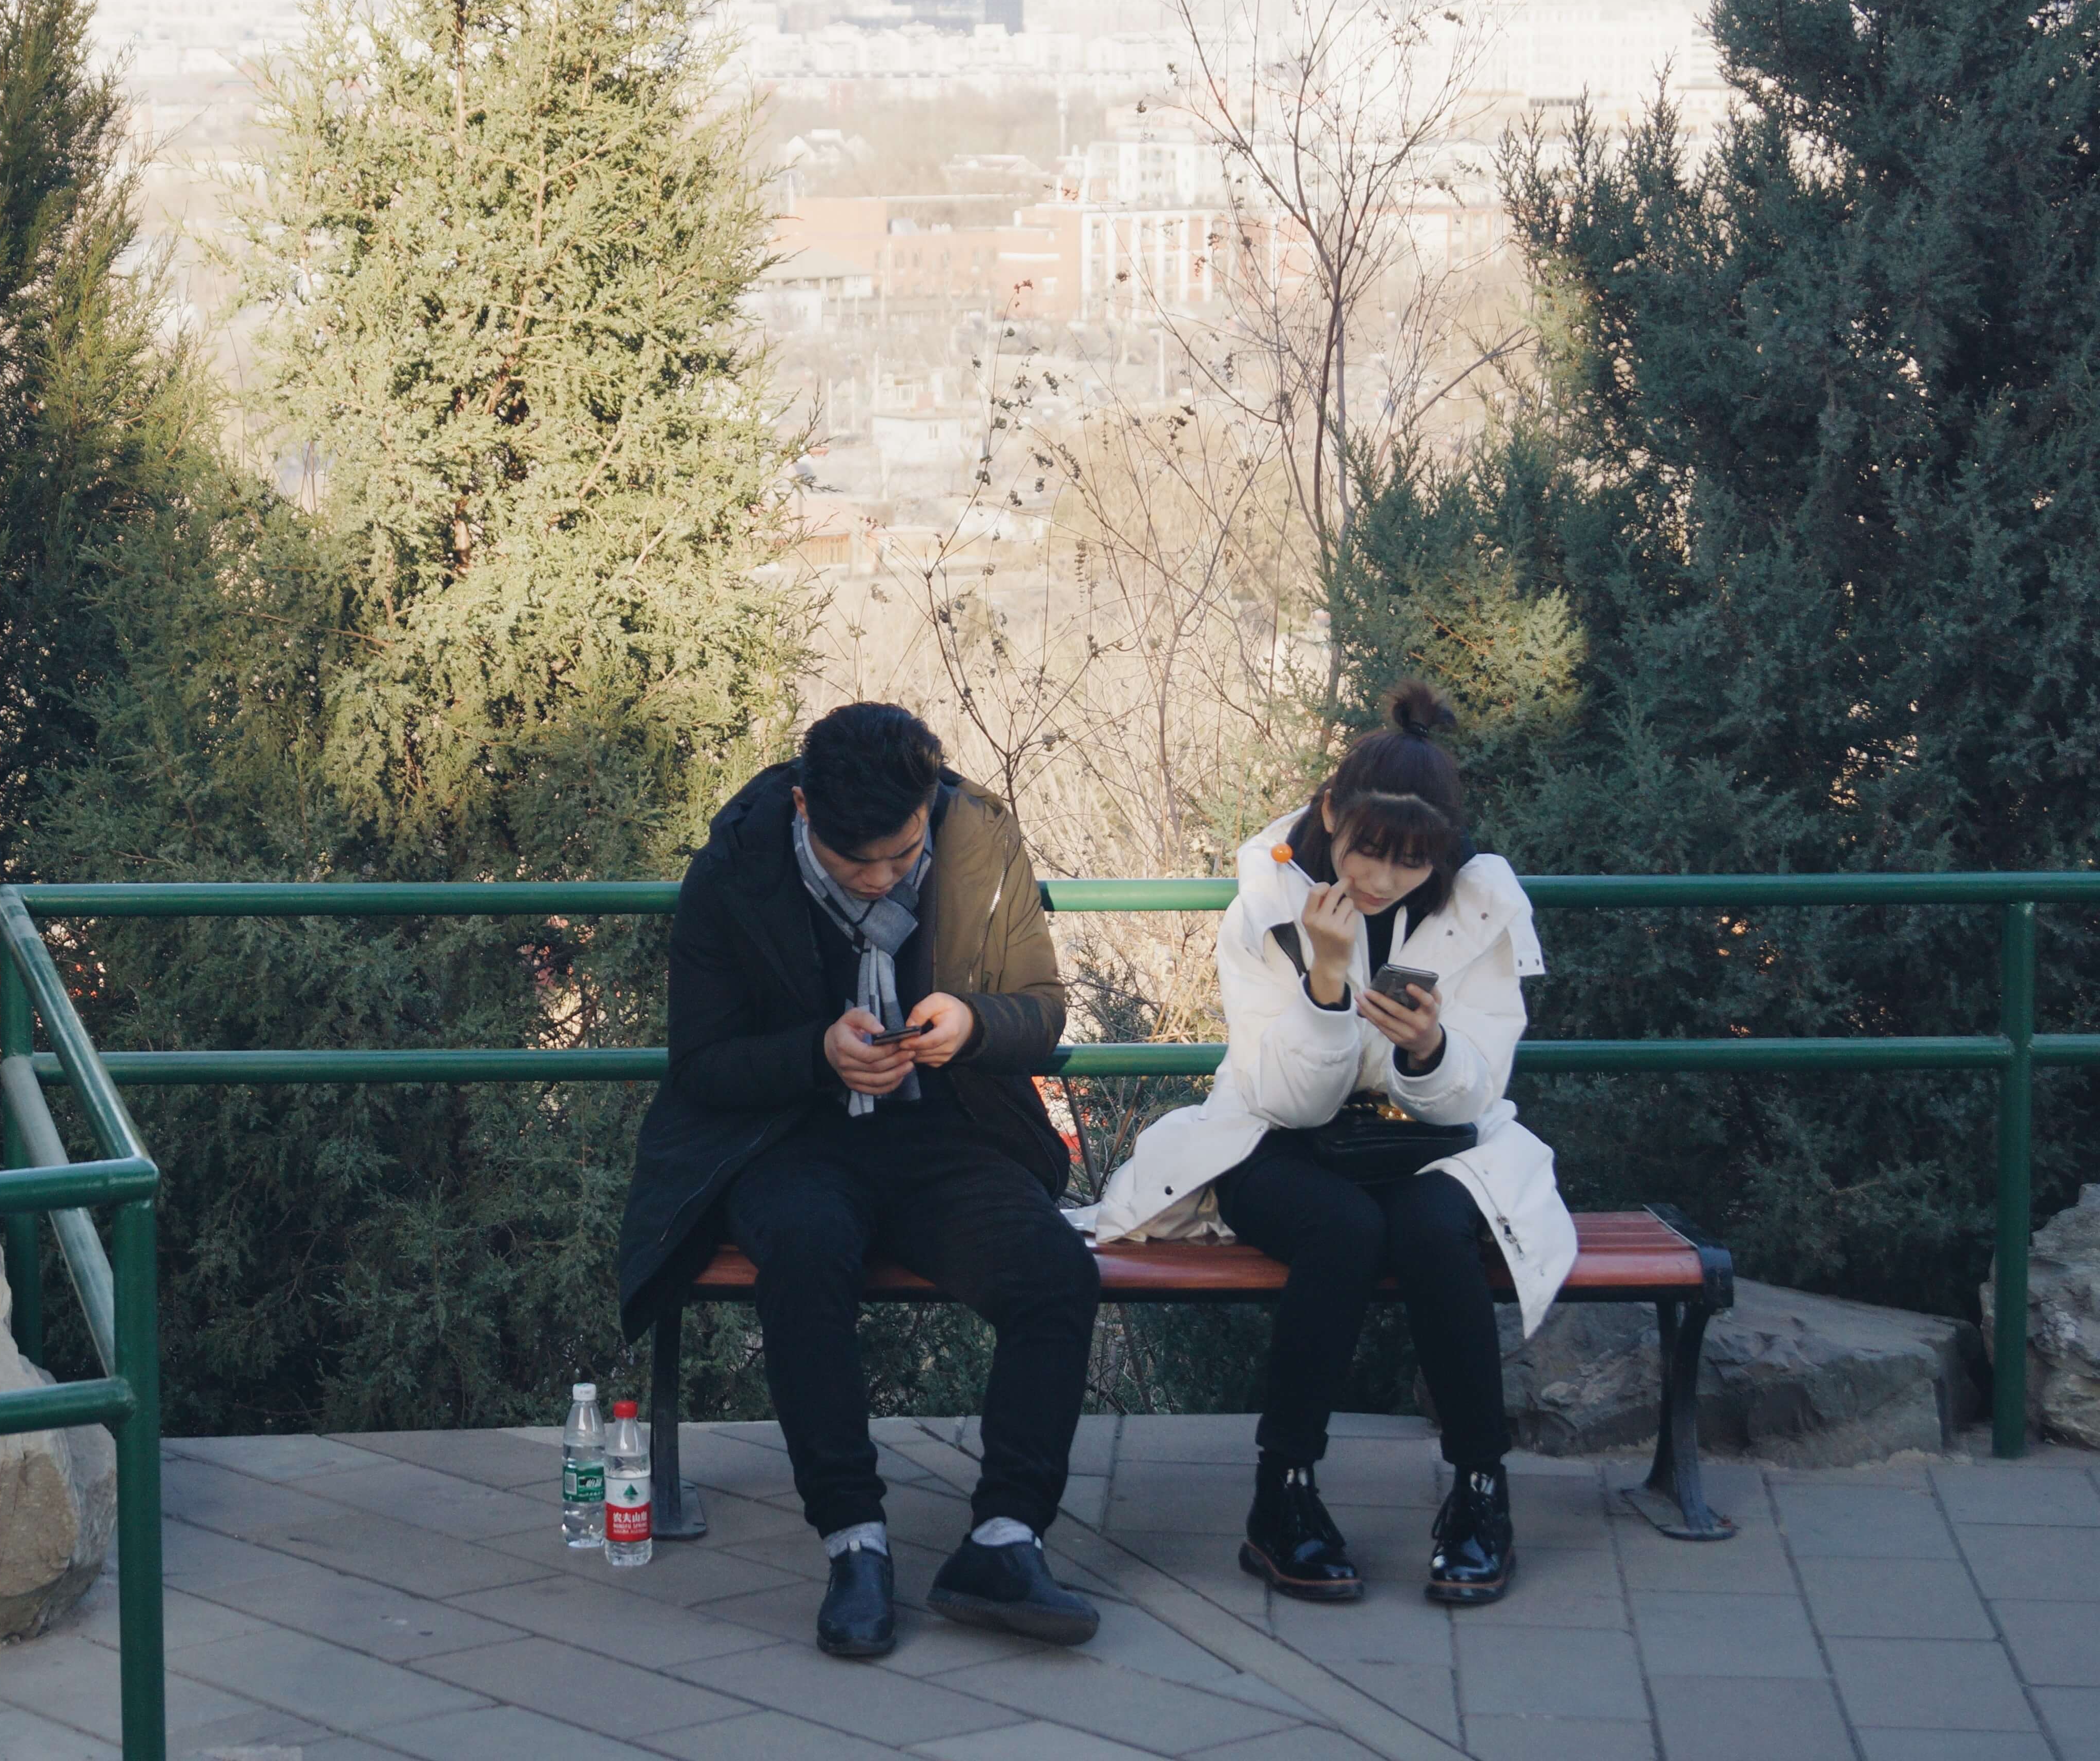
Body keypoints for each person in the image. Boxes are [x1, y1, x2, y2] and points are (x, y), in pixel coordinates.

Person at [616, 704, 1103, 1659]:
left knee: (1056, 1273)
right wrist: (815, 1054)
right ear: (803, 809)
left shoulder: (978, 840)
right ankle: (855, 1542)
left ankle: (1005, 1539)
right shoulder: (735, 868)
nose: (884, 879)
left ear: (928, 806)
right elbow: (701, 1063)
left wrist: (971, 1025)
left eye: (901, 854)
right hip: (787, 1139)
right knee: (804, 1252)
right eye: (857, 865)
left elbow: (1041, 1010)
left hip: (948, 1133)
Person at [1080, 682, 1569, 1607]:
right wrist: (1328, 986)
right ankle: (1284, 1496)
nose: (1383, 879)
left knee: (1431, 1235)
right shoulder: (1265, 906)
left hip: (1433, 1142)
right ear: (1331, 815)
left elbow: (1483, 1083)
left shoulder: (1481, 908)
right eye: (1369, 852)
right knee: (1343, 1232)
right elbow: (1286, 1099)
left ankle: (1478, 1491)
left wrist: (1428, 1049)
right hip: (1278, 1139)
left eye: (1412, 862)